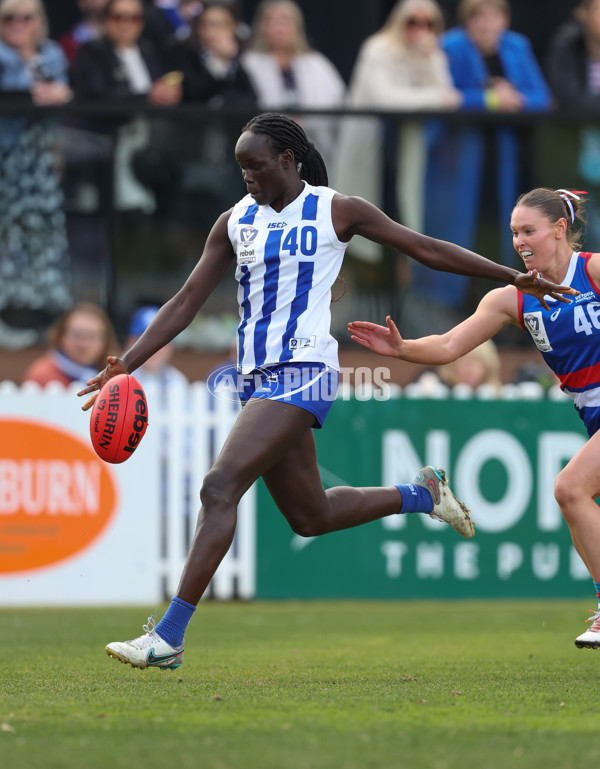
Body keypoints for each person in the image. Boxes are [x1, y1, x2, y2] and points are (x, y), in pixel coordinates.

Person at [77, 113, 573, 670]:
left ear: (287, 161)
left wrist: (510, 276)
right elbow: (186, 301)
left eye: (256, 165)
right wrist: (128, 364)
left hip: (306, 370)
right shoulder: (234, 221)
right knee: (309, 516)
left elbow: (424, 248)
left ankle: (168, 637)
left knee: (220, 486)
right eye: (241, 166)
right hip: (258, 381)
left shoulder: (337, 210)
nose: (247, 176)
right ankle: (423, 496)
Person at [348, 187, 600, 649]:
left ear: (560, 229)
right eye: (513, 233)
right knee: (573, 501)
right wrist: (402, 348)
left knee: (570, 489)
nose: (520, 242)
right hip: (593, 417)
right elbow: (447, 346)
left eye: (530, 231)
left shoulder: (594, 271)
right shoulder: (512, 299)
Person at [420, 0, 552, 320]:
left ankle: (506, 312)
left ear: (504, 19)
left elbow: (542, 98)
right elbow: (443, 95)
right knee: (458, 233)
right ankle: (453, 311)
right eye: (477, 17)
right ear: (467, 21)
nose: (485, 24)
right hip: (456, 161)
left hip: (507, 162)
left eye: (492, 16)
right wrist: (492, 98)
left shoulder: (517, 46)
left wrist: (516, 99)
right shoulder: (449, 45)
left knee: (505, 232)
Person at [333, 0, 461, 263]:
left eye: (429, 23)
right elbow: (386, 98)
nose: (420, 29)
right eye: (413, 21)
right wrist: (435, 97)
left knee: (407, 221)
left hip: (408, 147)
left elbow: (449, 97)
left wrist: (430, 60)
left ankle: (404, 286)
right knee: (360, 221)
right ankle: (362, 289)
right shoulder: (378, 48)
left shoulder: (431, 52)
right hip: (372, 146)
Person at [0, 0, 73, 348]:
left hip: (39, 161)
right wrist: (32, 93)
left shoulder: (52, 54)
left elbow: (64, 97)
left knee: (41, 234)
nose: (18, 23)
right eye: (8, 17)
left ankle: (42, 315)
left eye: (26, 17)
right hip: (4, 159)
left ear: (38, 21)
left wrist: (61, 94)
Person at [241, 0, 345, 171]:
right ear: (261, 27)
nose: (278, 27)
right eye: (270, 21)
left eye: (284, 21)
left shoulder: (316, 63)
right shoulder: (250, 63)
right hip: (266, 152)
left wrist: (305, 123)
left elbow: (338, 104)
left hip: (312, 146)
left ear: (297, 26)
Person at [546, 0, 600, 247]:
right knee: (588, 226)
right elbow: (569, 96)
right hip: (574, 150)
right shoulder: (566, 44)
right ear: (583, 13)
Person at [23, 302, 118, 386]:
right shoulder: (42, 375)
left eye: (92, 336)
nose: (83, 345)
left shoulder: (114, 375)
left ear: (105, 341)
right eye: (76, 335)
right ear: (61, 337)